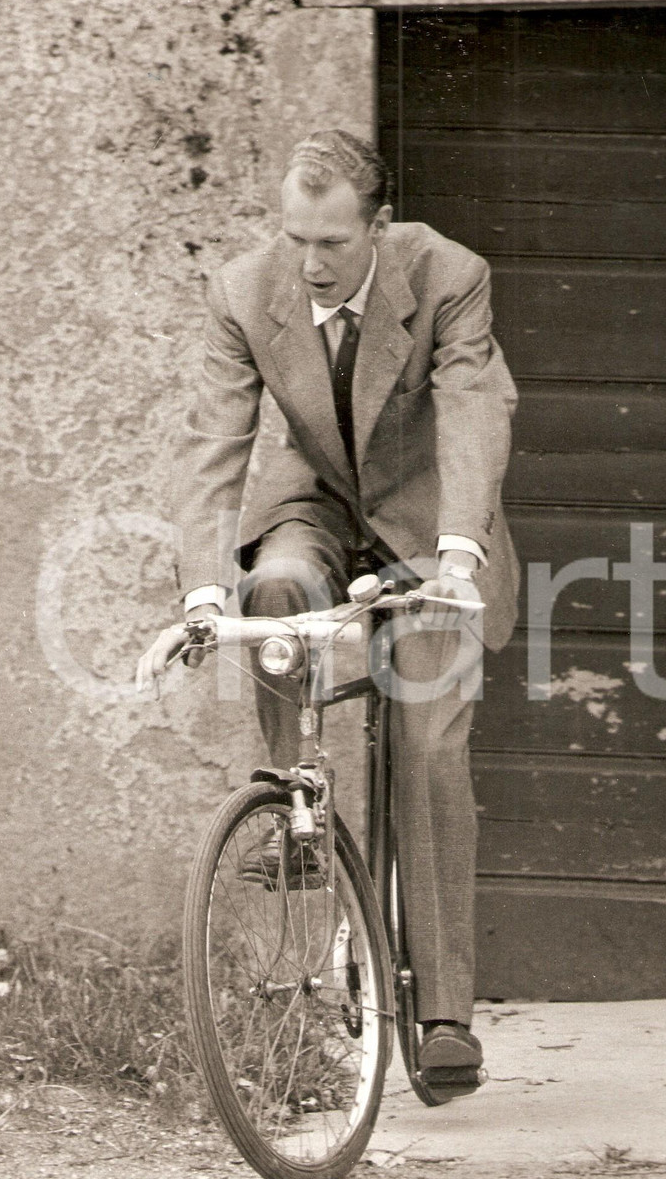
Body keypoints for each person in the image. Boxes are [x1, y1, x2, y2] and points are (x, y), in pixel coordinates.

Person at [150, 129, 518, 1077]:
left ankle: (442, 1018)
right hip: (312, 502)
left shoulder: (446, 275)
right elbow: (211, 440)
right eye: (295, 240)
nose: (309, 264)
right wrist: (200, 592)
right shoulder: (243, 290)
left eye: (332, 245)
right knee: (270, 592)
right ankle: (296, 807)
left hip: (431, 525)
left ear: (378, 229)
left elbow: (475, 404)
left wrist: (460, 552)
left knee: (427, 742)